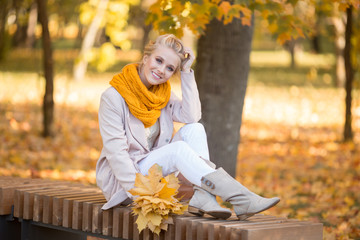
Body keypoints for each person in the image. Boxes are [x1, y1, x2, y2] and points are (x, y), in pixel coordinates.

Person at [96, 34, 280, 220]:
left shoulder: (162, 95)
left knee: (195, 128)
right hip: (126, 184)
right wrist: (139, 192)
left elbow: (191, 116)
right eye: (158, 60)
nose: (161, 70)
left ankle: (203, 196)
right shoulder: (113, 97)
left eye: (169, 68)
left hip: (153, 174)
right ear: (145, 58)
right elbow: (116, 153)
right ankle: (241, 197)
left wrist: (186, 72)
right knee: (178, 150)